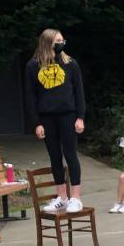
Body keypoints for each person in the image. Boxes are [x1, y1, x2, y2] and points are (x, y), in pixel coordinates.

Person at [23, 29, 86, 214]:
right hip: (46, 117)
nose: (61, 43)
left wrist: (80, 117)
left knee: (70, 154)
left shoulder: (70, 63)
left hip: (68, 115)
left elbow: (79, 92)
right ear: (47, 42)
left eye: (62, 40)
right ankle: (62, 197)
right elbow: (30, 97)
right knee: (54, 157)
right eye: (58, 40)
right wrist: (36, 123)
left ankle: (76, 197)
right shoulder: (33, 66)